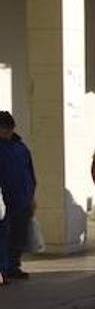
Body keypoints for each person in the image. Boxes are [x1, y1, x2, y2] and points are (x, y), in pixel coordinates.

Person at [0, 111, 37, 281]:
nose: (7, 132)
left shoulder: (21, 147)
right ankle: (4, 269)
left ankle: (14, 266)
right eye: (4, 129)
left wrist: (31, 196)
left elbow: (30, 172)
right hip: (4, 201)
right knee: (4, 236)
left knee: (19, 235)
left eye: (9, 128)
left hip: (22, 199)